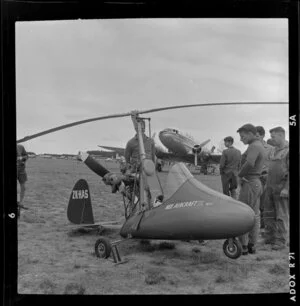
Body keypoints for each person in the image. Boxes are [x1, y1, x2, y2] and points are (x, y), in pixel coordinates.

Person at [236, 124, 266, 255]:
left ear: (250, 133)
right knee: (255, 214)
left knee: (243, 214)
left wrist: (239, 175)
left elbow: (249, 163)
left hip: (250, 182)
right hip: (256, 183)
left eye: (243, 136)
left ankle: (243, 246)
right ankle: (252, 245)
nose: (241, 139)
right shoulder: (260, 145)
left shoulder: (254, 146)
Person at [263, 127, 289, 250]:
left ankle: (281, 240)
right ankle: (269, 237)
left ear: (281, 135)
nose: (271, 139)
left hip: (281, 188)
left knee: (281, 215)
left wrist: (286, 188)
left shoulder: (288, 151)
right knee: (268, 213)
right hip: (269, 187)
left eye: (273, 137)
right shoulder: (273, 151)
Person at [255, 126, 274, 231]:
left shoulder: (270, 149)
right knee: (255, 201)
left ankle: (264, 225)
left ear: (262, 135)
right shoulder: (251, 148)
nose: (255, 138)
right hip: (254, 177)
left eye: (257, 136)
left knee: (265, 202)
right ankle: (256, 224)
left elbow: (273, 164)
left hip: (266, 177)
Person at [17, 144, 28, 213]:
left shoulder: (20, 146)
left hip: (21, 169)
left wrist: (22, 159)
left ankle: (20, 203)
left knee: (23, 187)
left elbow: (26, 156)